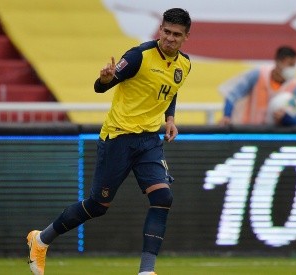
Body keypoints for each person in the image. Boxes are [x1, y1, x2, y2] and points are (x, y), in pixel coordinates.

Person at [26, 8, 192, 275]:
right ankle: (41, 239)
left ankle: (146, 271)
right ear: (160, 29)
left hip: (149, 140)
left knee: (163, 197)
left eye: (177, 35)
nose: (170, 39)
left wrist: (170, 119)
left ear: (186, 37)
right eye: (166, 32)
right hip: (119, 138)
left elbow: (170, 91)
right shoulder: (139, 56)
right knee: (97, 206)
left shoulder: (184, 64)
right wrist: (104, 79)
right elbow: (102, 86)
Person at [218, 46, 296, 126]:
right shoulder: (258, 75)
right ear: (278, 62)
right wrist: (227, 115)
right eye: (290, 64)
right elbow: (232, 95)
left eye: (294, 65)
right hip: (249, 131)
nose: (292, 69)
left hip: (275, 137)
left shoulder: (295, 86)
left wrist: (286, 118)